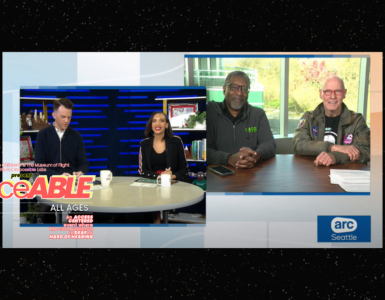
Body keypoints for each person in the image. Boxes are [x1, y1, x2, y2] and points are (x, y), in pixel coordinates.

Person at [292, 75, 370, 166]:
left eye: (338, 91)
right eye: (327, 91)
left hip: (345, 173)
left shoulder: (357, 120)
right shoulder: (309, 118)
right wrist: (332, 147)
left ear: (344, 93)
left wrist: (335, 157)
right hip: (314, 172)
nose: (333, 96)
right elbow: (298, 144)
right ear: (321, 94)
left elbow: (365, 150)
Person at [34, 98, 89, 223]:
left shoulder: (76, 136)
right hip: (49, 183)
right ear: (53, 115)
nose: (66, 121)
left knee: (84, 211)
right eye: (63, 117)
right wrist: (57, 176)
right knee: (46, 213)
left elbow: (83, 162)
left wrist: (81, 171)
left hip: (72, 183)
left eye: (69, 117)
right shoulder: (43, 135)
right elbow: (39, 165)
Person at [207, 71, 276, 168]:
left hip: (251, 173)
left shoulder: (258, 114)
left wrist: (255, 155)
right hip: (219, 176)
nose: (239, 93)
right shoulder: (210, 112)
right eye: (234, 87)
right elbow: (204, 149)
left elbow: (269, 143)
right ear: (224, 89)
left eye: (244, 89)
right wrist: (229, 158)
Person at [139, 111, 189, 181]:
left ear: (166, 125)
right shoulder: (144, 144)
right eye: (154, 121)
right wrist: (160, 177)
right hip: (152, 183)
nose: (157, 124)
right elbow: (142, 170)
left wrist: (173, 176)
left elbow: (184, 168)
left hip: (173, 183)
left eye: (161, 121)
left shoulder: (176, 141)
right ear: (151, 125)